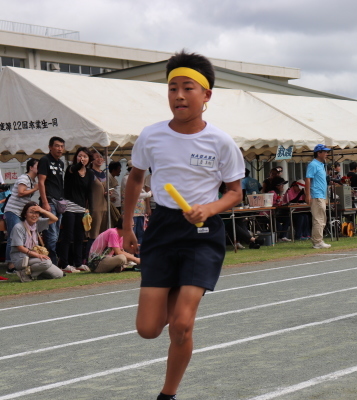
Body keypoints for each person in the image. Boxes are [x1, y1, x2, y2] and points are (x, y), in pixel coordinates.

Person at [122, 50, 245, 400]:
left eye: (187, 87)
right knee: (147, 329)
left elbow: (234, 193)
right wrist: (128, 227)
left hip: (202, 234)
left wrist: (209, 208)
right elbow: (134, 180)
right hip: (161, 228)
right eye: (172, 87)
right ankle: (172, 302)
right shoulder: (151, 135)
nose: (178, 94)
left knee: (182, 324)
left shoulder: (220, 141)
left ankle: (168, 395)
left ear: (206, 95)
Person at [58, 147, 94, 272]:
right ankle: (64, 264)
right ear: (76, 157)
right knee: (68, 236)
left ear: (89, 159)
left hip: (81, 208)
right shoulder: (70, 169)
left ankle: (78, 263)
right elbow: (74, 168)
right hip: (69, 206)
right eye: (80, 156)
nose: (82, 158)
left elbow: (89, 192)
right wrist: (80, 164)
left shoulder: (90, 173)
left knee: (80, 236)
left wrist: (90, 209)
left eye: (85, 156)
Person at [10, 202, 64, 282]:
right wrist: (37, 255)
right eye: (31, 212)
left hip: (34, 259)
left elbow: (55, 219)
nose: (34, 215)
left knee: (59, 274)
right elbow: (19, 247)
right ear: (25, 214)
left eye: (37, 213)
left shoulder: (37, 224)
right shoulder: (18, 227)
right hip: (21, 259)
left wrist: (42, 210)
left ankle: (31, 275)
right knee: (46, 262)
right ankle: (23, 273)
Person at [3, 159, 40, 275]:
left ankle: (18, 263)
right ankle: (11, 265)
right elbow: (20, 192)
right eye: (38, 166)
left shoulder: (32, 180)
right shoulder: (24, 178)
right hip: (13, 210)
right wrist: (35, 188)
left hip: (20, 212)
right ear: (31, 167)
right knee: (13, 237)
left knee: (19, 237)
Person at [37, 136, 65, 265]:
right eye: (57, 146)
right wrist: (45, 202)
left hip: (59, 201)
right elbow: (41, 182)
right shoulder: (44, 160)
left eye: (61, 146)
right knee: (51, 234)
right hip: (49, 200)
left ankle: (52, 261)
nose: (60, 149)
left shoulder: (61, 163)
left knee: (57, 233)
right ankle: (51, 262)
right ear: (50, 147)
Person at [305, 144, 331, 249]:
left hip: (321, 195)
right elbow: (308, 179)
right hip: (316, 195)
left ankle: (318, 240)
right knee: (318, 219)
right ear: (318, 153)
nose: (326, 154)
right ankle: (317, 241)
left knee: (322, 218)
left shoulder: (321, 165)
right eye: (324, 152)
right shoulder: (313, 164)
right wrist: (308, 195)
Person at [89, 150, 109, 242]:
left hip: (105, 205)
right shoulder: (90, 172)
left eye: (101, 157)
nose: (100, 159)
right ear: (91, 159)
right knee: (94, 232)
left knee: (104, 232)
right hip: (94, 205)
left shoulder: (103, 173)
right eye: (97, 157)